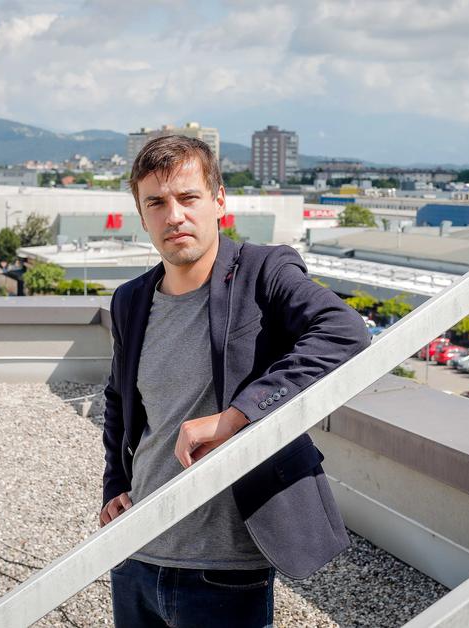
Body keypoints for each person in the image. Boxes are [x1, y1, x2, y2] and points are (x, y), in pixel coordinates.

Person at [100, 135, 370, 628]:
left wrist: (237, 416)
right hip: (135, 551)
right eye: (156, 203)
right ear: (141, 215)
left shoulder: (263, 271)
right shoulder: (130, 300)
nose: (174, 216)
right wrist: (115, 483)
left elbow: (343, 331)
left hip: (224, 567)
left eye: (188, 197)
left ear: (219, 201)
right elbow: (119, 399)